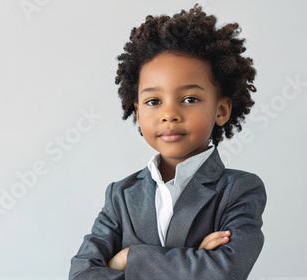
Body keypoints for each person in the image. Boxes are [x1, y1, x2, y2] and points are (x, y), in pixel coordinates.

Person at [69, 4, 266, 280]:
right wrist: (195, 258)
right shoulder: (120, 196)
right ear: (138, 111)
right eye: (154, 101)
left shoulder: (239, 191)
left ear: (221, 110)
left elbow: (225, 271)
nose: (169, 114)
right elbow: (81, 274)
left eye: (189, 99)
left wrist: (127, 258)